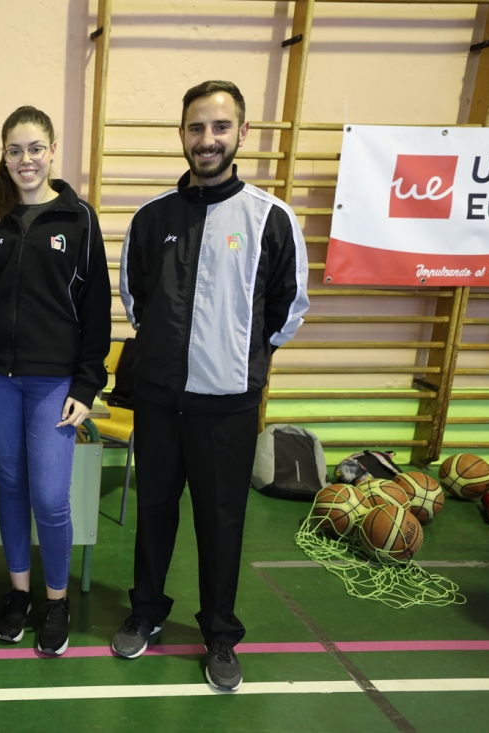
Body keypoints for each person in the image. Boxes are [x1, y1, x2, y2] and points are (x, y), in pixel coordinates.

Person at [114, 81, 309, 691]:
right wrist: (168, 356)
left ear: (241, 134)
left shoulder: (270, 218)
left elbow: (288, 308)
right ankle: (146, 612)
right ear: (182, 134)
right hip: (159, 399)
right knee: (154, 512)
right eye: (197, 127)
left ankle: (220, 634)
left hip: (228, 405)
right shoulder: (152, 218)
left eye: (220, 127)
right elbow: (134, 297)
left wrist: (240, 361)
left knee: (222, 523)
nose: (208, 139)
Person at [0, 106, 111, 656]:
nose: (26, 159)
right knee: (12, 487)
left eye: (36, 148)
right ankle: (19, 593)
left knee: (49, 496)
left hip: (54, 383)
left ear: (52, 151)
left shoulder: (79, 219)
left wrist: (87, 385)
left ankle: (57, 600)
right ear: (5, 156)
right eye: (15, 150)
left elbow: (96, 309)